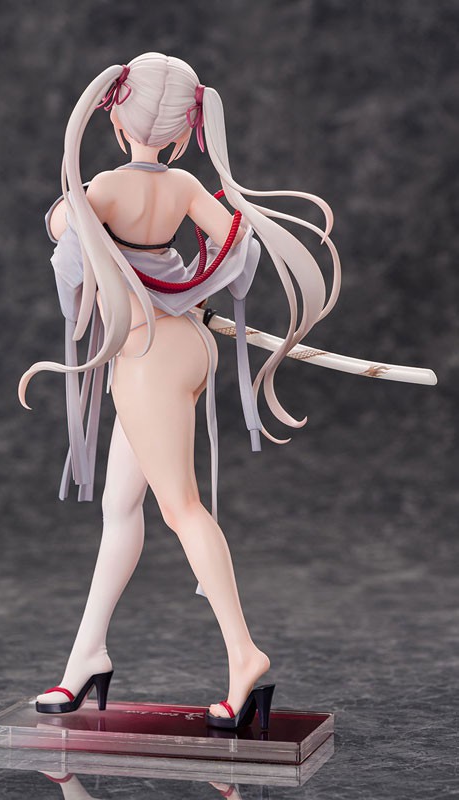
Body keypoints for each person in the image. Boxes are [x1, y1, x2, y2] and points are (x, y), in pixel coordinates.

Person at [18, 52, 340, 729]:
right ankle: (87, 656)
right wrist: (185, 283)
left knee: (182, 508)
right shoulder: (187, 185)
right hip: (188, 345)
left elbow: (64, 236)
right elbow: (241, 250)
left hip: (146, 358)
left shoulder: (104, 187)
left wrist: (82, 216)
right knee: (120, 509)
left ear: (117, 118)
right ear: (183, 129)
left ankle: (244, 655)